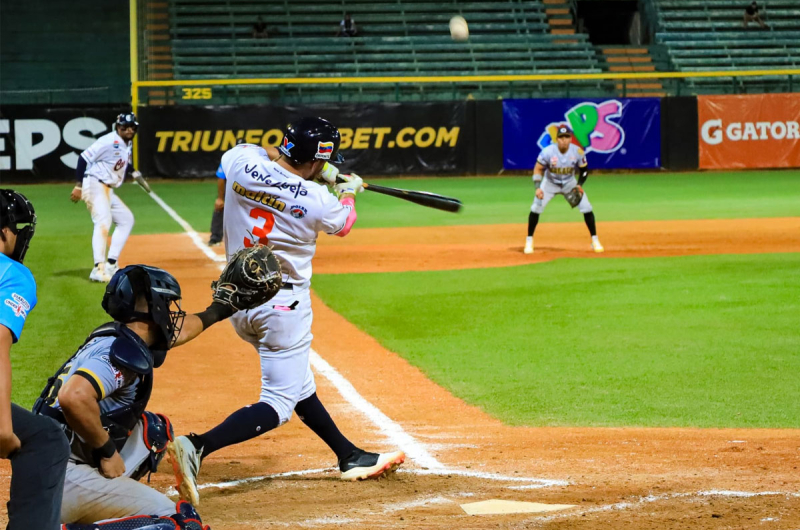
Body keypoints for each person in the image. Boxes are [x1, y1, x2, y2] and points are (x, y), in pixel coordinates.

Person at [168, 117, 405, 507]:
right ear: (318, 159)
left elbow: (259, 155)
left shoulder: (242, 161)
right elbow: (343, 224)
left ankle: (348, 455)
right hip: (283, 307)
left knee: (298, 382)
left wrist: (322, 171)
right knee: (278, 403)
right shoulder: (319, 201)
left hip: (238, 298)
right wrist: (348, 191)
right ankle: (196, 446)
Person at [33, 254, 274, 528]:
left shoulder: (118, 337)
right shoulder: (118, 357)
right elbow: (73, 396)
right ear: (155, 308)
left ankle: (104, 501)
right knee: (178, 523)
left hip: (50, 462)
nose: (172, 313)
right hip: (59, 480)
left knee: (154, 430)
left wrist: (220, 309)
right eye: (168, 305)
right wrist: (107, 452)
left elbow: (179, 332)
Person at [0, 189, 71, 530]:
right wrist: (2, 425)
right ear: (4, 232)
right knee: (45, 439)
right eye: (18, 227)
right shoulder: (12, 273)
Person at [70, 113, 142, 283]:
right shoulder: (108, 141)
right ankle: (98, 268)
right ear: (118, 127)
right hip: (94, 184)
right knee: (103, 222)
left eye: (132, 127)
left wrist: (133, 171)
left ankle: (111, 263)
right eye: (125, 127)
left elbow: (120, 162)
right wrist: (78, 185)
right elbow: (83, 158)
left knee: (126, 219)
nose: (129, 130)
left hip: (107, 189)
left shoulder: (127, 143)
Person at [524, 125, 604, 254]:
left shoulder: (577, 152)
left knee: (587, 208)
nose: (564, 140)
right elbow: (538, 168)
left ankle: (595, 240)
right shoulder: (548, 152)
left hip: (569, 183)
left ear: (570, 139)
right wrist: (537, 188)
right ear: (557, 139)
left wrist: (579, 185)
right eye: (561, 137)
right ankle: (529, 240)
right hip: (549, 183)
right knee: (536, 208)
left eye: (567, 137)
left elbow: (584, 170)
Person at [208, 143, 280, 247]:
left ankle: (253, 236)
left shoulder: (247, 157)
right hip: (234, 188)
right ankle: (215, 237)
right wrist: (220, 198)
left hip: (248, 188)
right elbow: (221, 177)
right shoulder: (232, 157)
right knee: (220, 207)